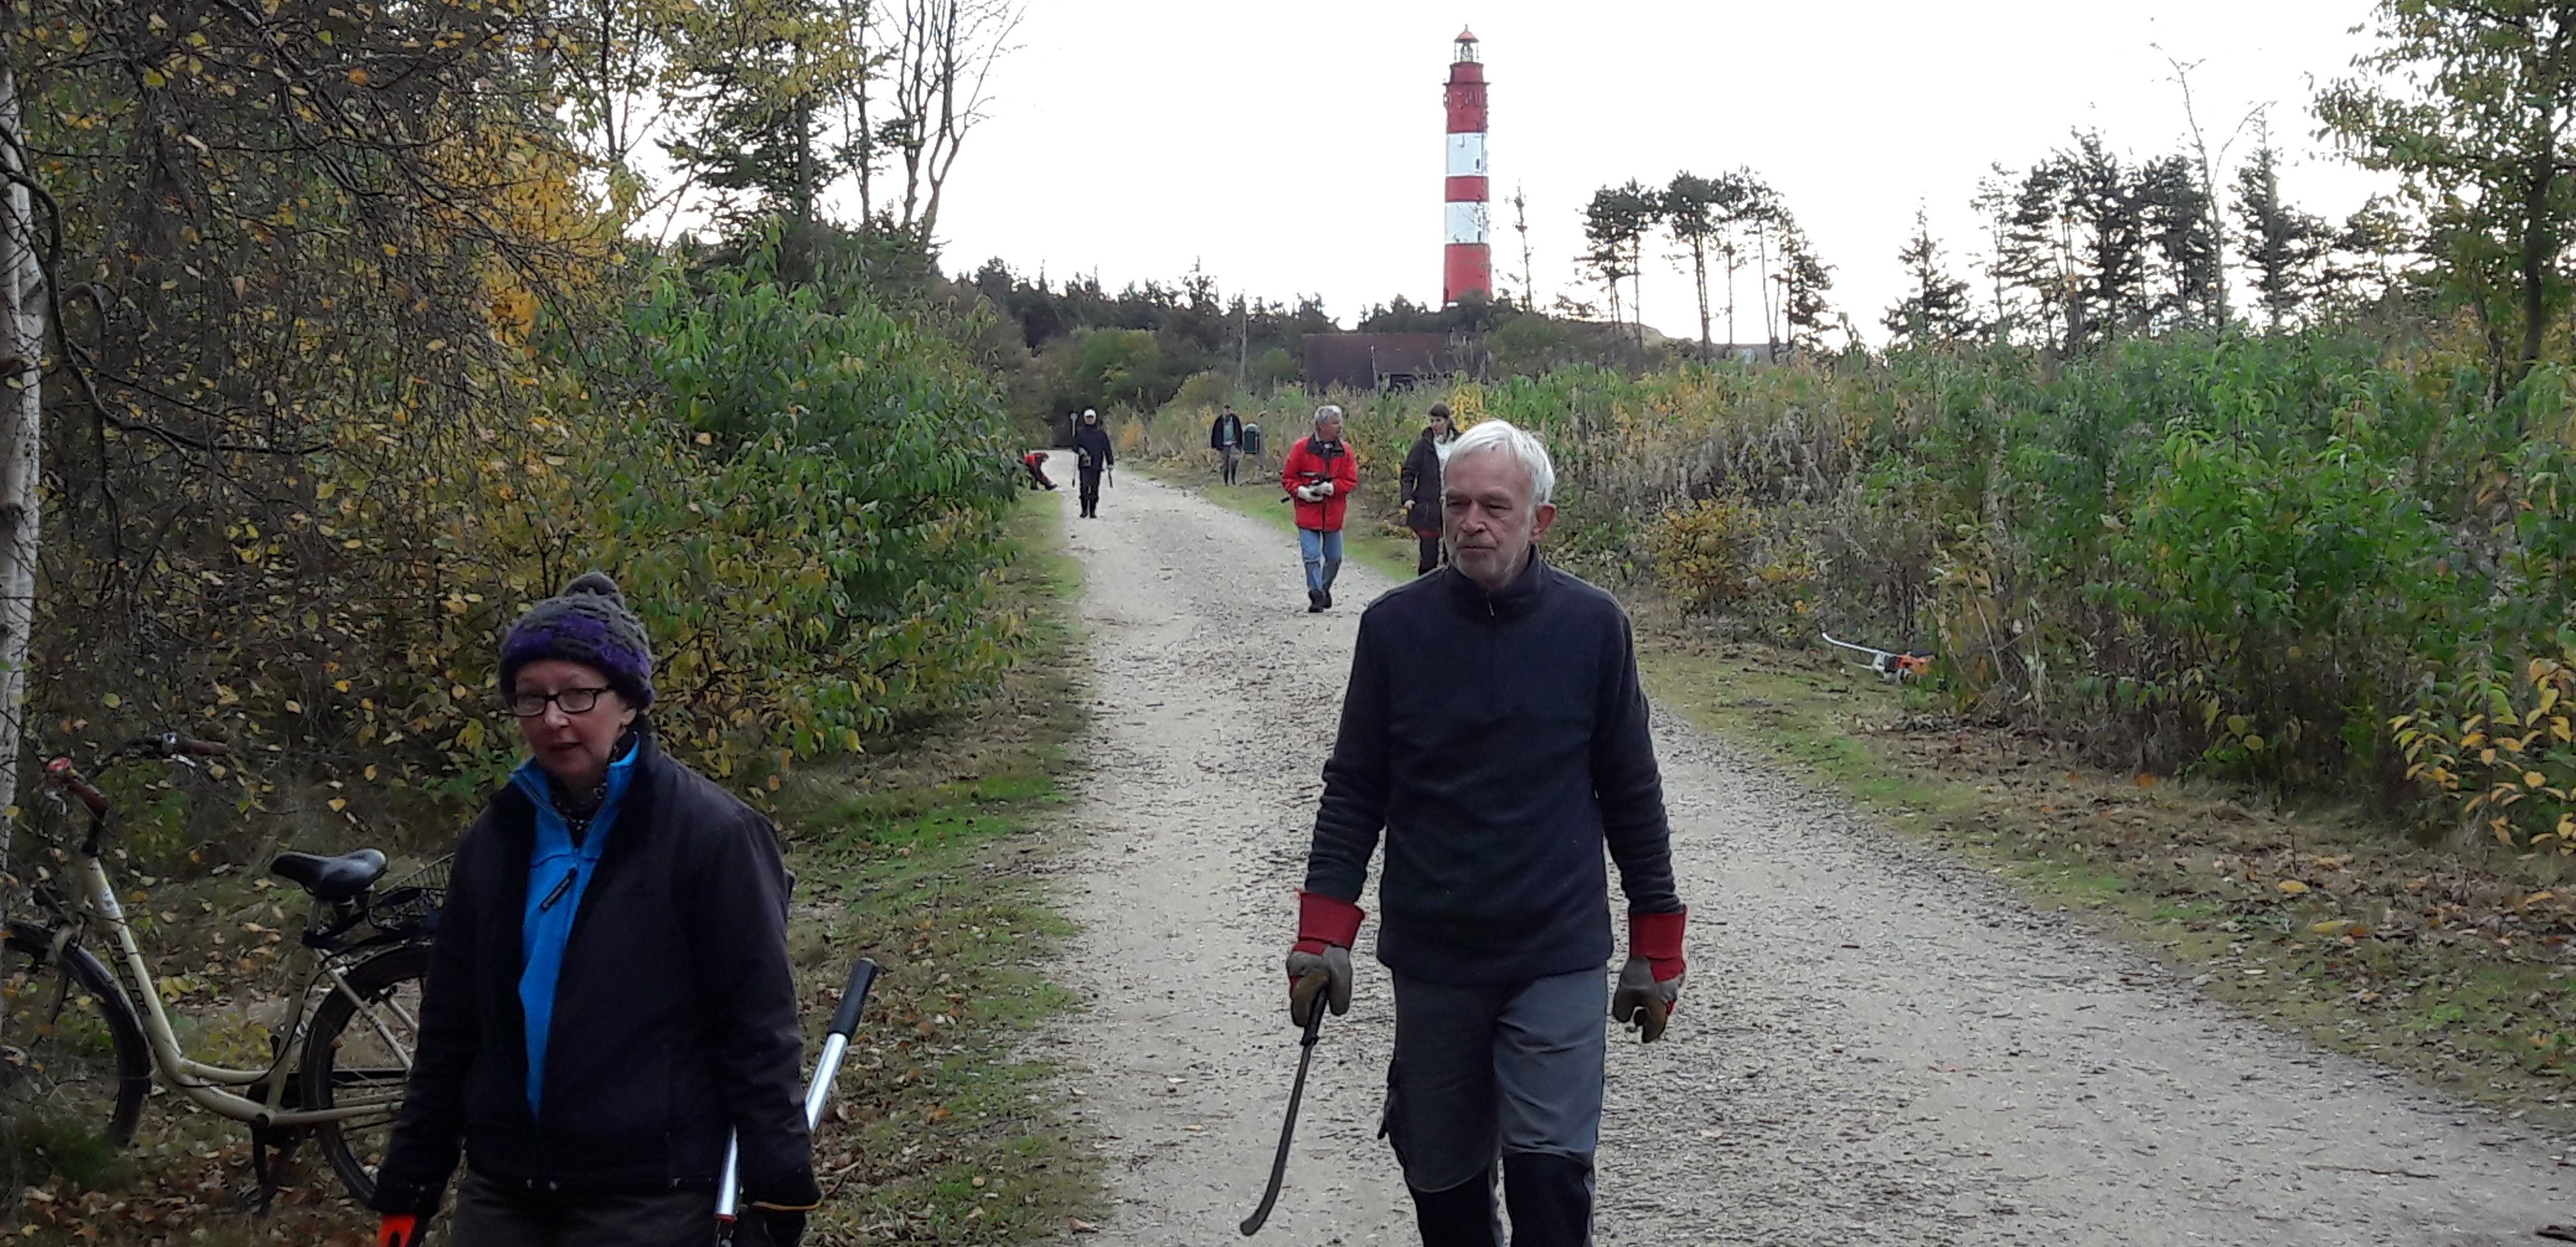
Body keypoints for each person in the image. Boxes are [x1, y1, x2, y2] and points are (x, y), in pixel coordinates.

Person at [1284, 419, 1686, 1247]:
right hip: (1437, 954)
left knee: (1550, 1177)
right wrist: (1322, 933)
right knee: (1444, 1181)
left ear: (1539, 519)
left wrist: (1658, 945)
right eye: (1457, 503)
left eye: (1494, 506)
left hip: (1557, 950)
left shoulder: (1594, 627)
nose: (1472, 522)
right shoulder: (1396, 628)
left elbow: (1632, 791)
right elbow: (1357, 787)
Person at [371, 574, 816, 1247]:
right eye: (531, 697)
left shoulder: (711, 835)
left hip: (647, 1191)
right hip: (505, 1185)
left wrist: (777, 1192)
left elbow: (758, 1028)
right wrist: (410, 1183)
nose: (553, 718)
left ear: (630, 701)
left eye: (578, 694)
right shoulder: (496, 839)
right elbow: (451, 1029)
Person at [1281, 405, 1359, 612]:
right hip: (1308, 513)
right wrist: (1303, 492)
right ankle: (1315, 594)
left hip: (1333, 514)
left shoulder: (1345, 451)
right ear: (1321, 425)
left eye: (1339, 422)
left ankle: (1324, 589)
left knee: (1335, 558)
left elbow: (1351, 480)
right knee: (1312, 556)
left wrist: (1333, 487)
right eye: (1335, 423)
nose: (1339, 427)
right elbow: (1288, 478)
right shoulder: (1301, 449)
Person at [1398, 404, 1460, 576]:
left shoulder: (1460, 443)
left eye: (1438, 420)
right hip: (1428, 506)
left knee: (1454, 555)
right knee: (1428, 556)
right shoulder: (1423, 445)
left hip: (1454, 504)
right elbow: (1408, 473)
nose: (1435, 425)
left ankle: (1452, 595)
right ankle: (1424, 592)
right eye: (1432, 421)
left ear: (1447, 421)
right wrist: (1407, 497)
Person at [1073, 409, 1114, 519]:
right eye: (1088, 417)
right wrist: (1080, 450)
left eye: (1091, 417)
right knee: (1084, 488)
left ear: (1095, 418)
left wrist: (1110, 463)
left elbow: (1107, 449)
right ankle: (1084, 510)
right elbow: (1074, 446)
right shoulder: (1080, 432)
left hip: (1097, 465)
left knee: (1095, 488)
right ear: (1085, 418)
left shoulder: (1100, 433)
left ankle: (1092, 511)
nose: (1090, 419)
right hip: (1084, 465)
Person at [1210, 405, 1245, 485]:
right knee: (1225, 463)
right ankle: (1226, 481)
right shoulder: (1219, 420)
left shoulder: (1235, 419)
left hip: (1233, 443)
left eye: (1229, 411)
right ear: (1223, 411)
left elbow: (1239, 431)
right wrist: (1215, 445)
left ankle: (1233, 479)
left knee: (1234, 461)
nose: (1227, 412)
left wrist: (1240, 444)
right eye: (1226, 411)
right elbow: (1215, 433)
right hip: (1224, 444)